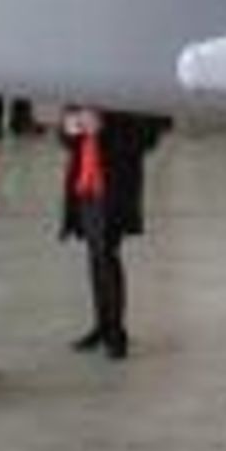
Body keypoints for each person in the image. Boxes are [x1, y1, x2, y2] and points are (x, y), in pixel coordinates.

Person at [58, 106, 166, 356]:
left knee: (106, 253)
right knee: (96, 255)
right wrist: (70, 127)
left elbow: (148, 138)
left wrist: (104, 127)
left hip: (114, 185)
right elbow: (64, 137)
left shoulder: (127, 92)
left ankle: (116, 332)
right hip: (85, 185)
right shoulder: (80, 87)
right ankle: (102, 325)